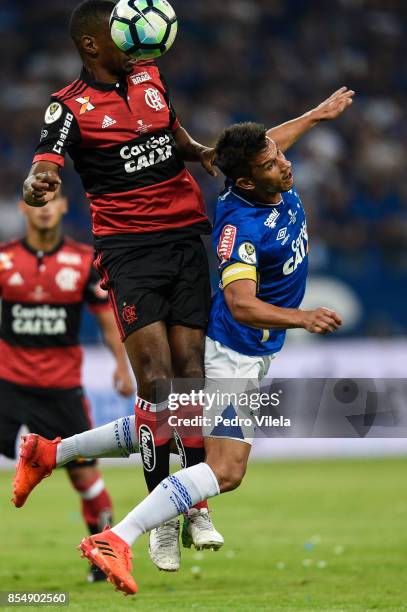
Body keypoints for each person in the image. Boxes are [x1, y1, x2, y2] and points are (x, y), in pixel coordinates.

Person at [13, 85, 353, 594]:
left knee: (163, 422)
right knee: (226, 468)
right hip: (230, 355)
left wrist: (316, 116)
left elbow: (267, 143)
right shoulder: (240, 225)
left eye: (280, 155)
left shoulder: (266, 176)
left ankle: (50, 452)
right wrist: (302, 318)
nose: (284, 163)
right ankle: (118, 536)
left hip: (250, 352)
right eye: (272, 162)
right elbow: (241, 302)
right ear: (245, 180)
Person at [0, 193, 134, 583]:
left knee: (85, 475)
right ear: (22, 207)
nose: (43, 206)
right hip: (8, 383)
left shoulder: (80, 261)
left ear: (62, 208)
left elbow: (107, 319)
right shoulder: (5, 259)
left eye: (52, 200)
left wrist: (121, 366)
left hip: (62, 389)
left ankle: (103, 553)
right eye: (34, 200)